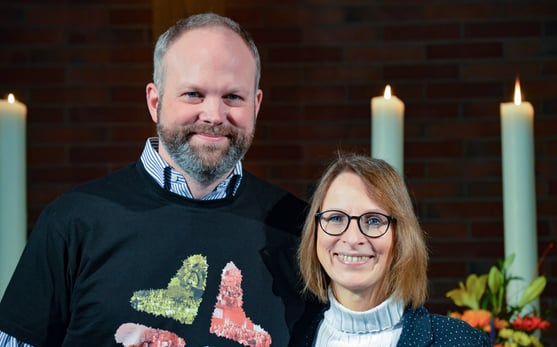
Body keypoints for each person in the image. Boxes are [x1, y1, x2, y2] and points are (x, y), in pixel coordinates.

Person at [0, 13, 308, 347]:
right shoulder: (73, 223)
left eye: (233, 97)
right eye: (193, 94)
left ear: (256, 105)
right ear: (155, 101)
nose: (214, 116)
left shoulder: (298, 230)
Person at [289, 153, 491, 346]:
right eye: (335, 218)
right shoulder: (289, 337)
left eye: (374, 220)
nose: (352, 238)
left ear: (400, 235)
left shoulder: (457, 341)